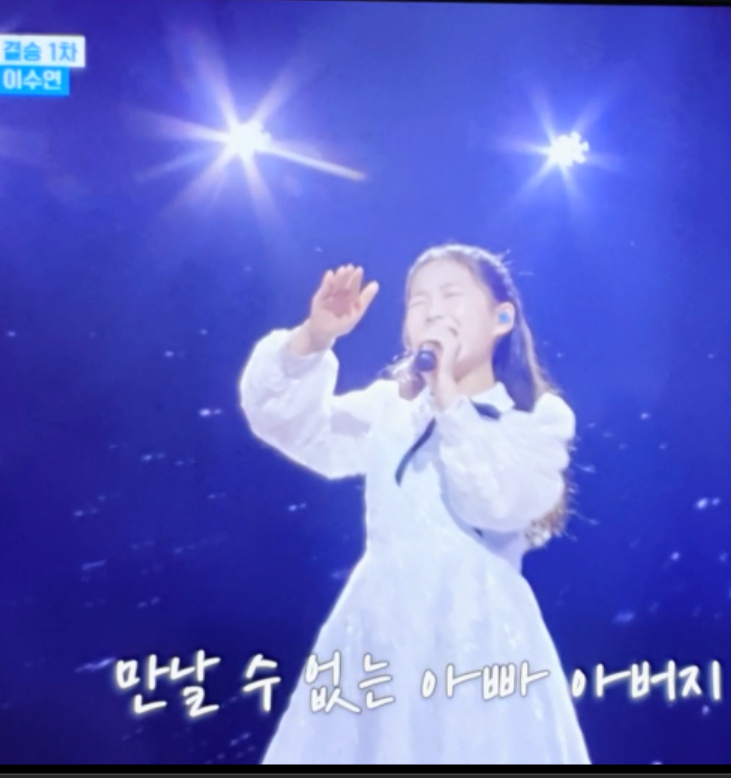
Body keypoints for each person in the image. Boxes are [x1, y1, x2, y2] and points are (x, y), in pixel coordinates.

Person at [238, 243, 590, 764]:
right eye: (418, 302)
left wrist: (449, 398)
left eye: (451, 295)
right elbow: (293, 425)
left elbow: (497, 502)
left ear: (502, 318)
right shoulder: (392, 409)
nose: (433, 311)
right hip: (380, 629)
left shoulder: (535, 419)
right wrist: (314, 338)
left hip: (479, 636)